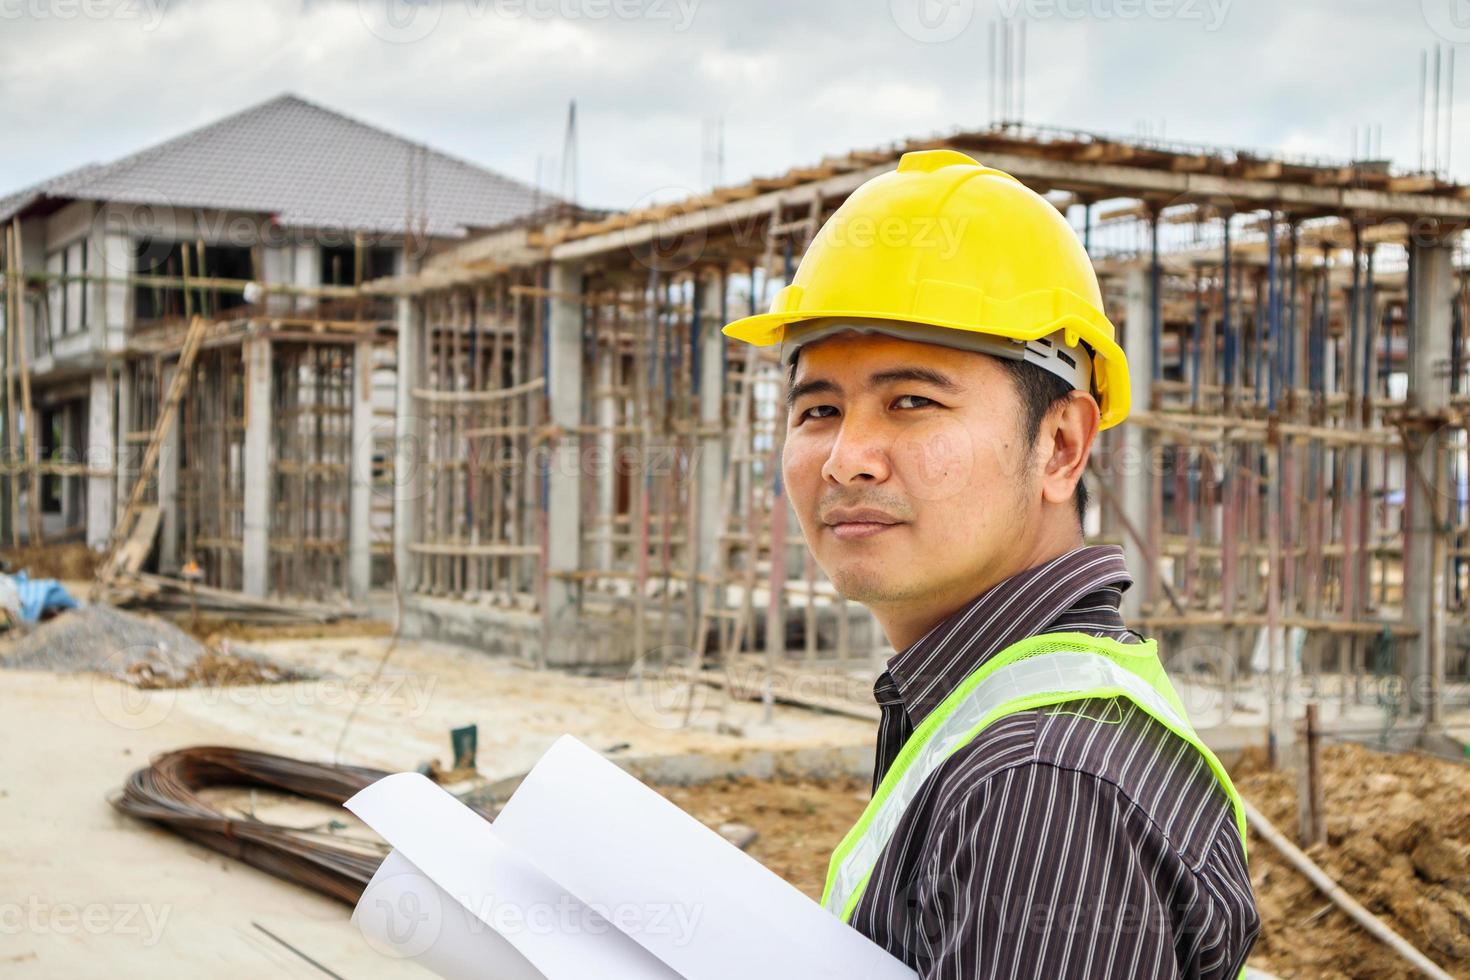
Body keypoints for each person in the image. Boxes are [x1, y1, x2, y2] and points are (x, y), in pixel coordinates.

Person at [722, 149, 1259, 978]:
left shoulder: (1042, 785)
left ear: (1060, 445)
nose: (846, 459)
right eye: (819, 409)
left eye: (912, 402)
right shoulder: (977, 713)